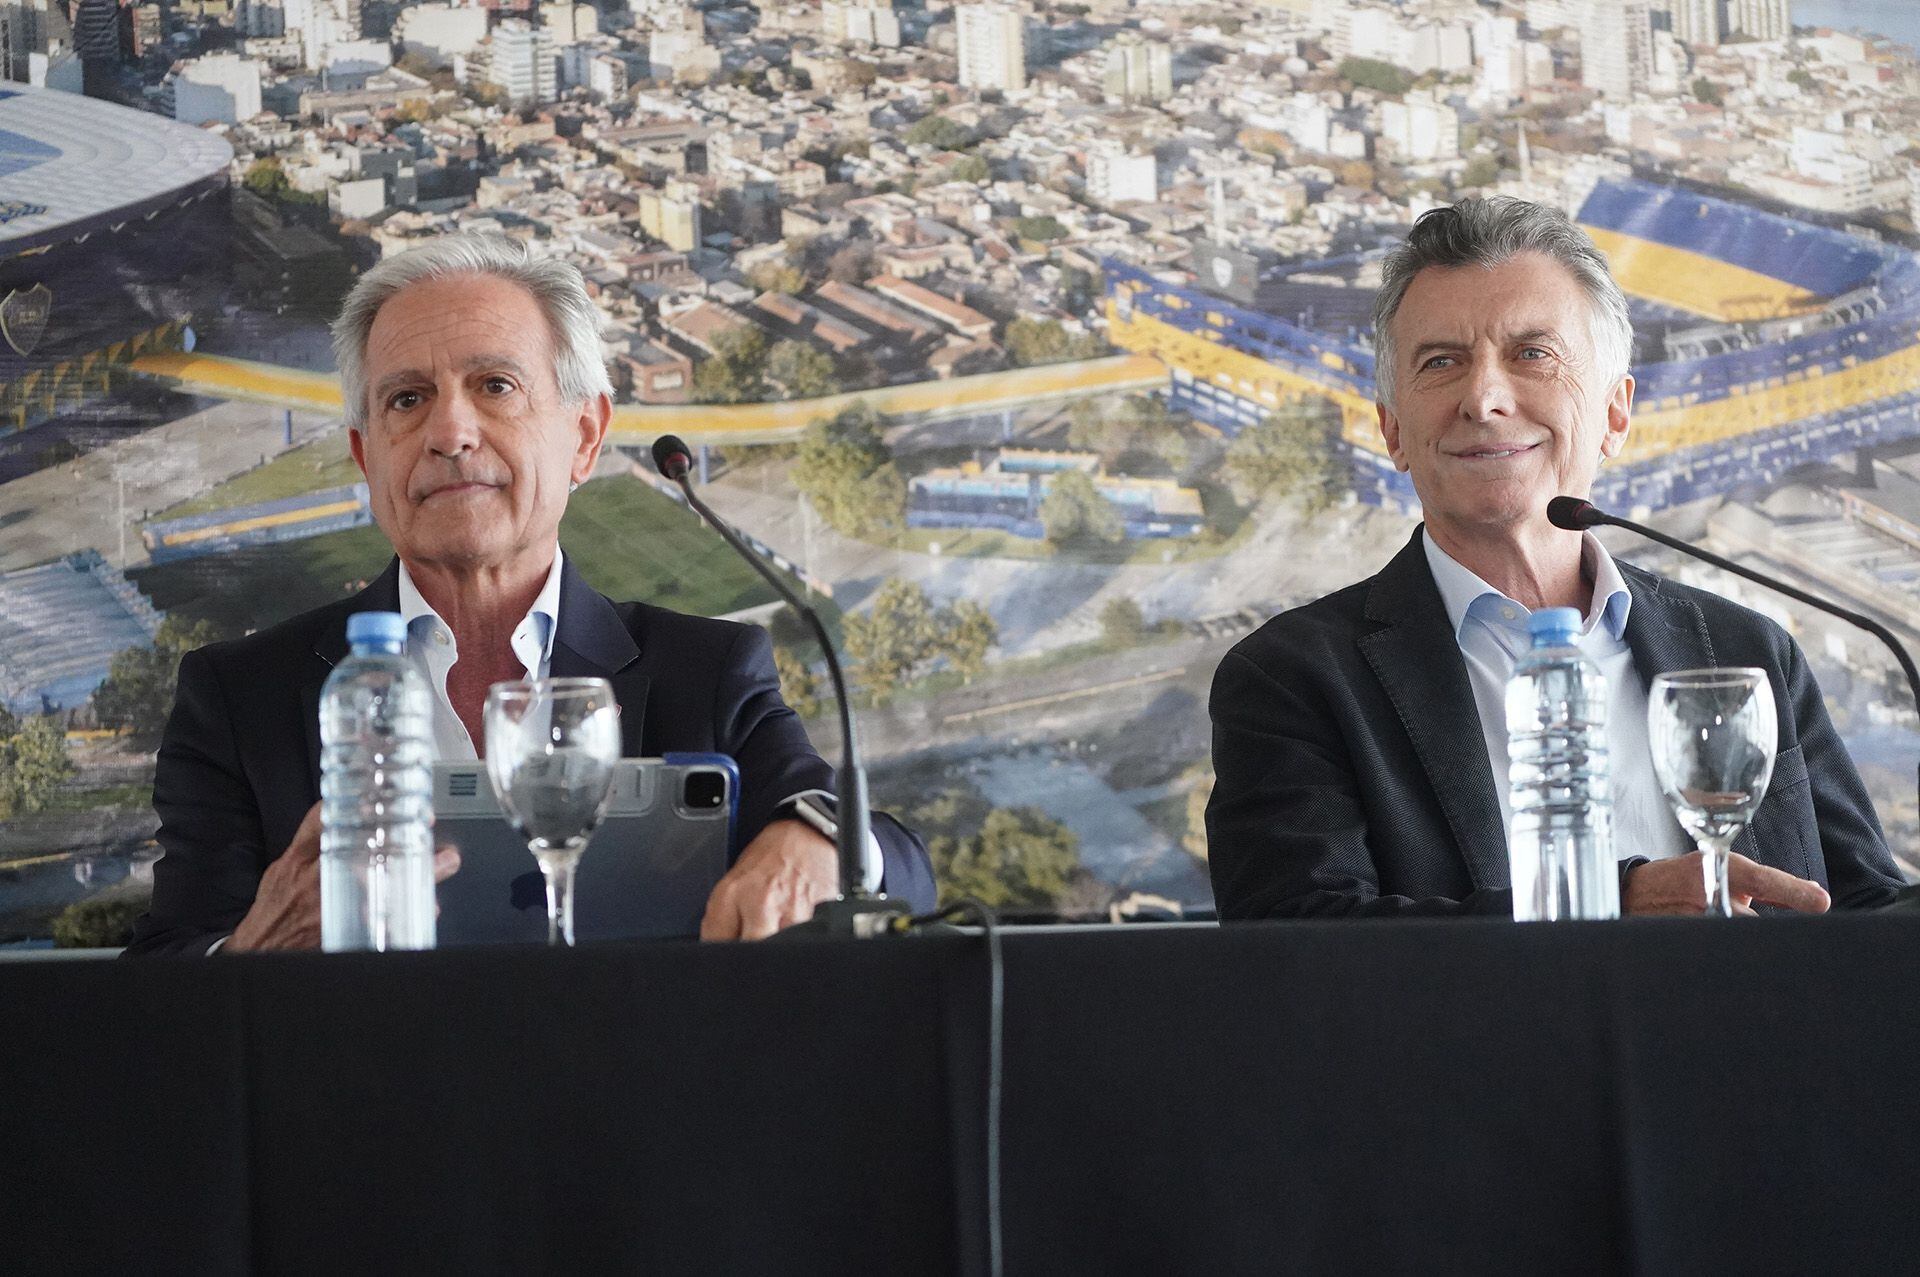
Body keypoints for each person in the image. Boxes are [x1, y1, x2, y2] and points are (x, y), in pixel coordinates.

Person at [127, 234, 935, 955]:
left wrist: (813, 842)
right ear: (365, 456)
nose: (450, 432)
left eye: (496, 385)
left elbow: (901, 867)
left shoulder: (707, 670)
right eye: (407, 399)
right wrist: (256, 954)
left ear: (584, 437)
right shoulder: (239, 698)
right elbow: (154, 990)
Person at [1206, 197, 1906, 919]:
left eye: (1531, 354)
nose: (1483, 397)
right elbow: (1299, 954)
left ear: (1614, 413)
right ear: (1393, 432)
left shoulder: (1747, 651)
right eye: (1442, 362)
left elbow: (1869, 915)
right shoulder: (1293, 681)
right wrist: (1611, 904)